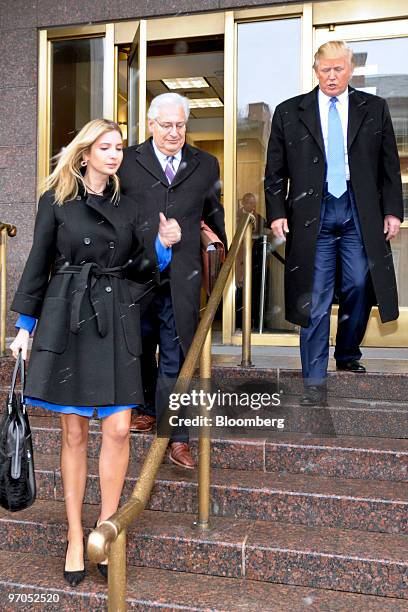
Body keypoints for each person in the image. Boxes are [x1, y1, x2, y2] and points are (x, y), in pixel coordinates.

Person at [9, 119, 180, 586]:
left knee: (121, 428)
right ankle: (72, 535)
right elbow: (38, 264)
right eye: (105, 147)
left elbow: (139, 268)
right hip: (70, 317)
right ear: (85, 153)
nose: (114, 154)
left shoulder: (129, 204)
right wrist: (25, 326)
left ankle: (106, 532)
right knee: (74, 433)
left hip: (116, 317)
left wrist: (162, 250)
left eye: (120, 147)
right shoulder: (58, 201)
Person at [265, 40, 403, 406]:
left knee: (360, 283)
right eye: (324, 70)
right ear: (315, 71)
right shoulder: (288, 112)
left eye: (337, 69)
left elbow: (389, 165)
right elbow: (274, 172)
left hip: (359, 211)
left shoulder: (374, 108)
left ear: (350, 68)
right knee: (316, 293)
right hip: (314, 214)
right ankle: (313, 379)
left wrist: (392, 211)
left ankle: (347, 353)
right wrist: (277, 212)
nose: (330, 76)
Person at [119, 93, 227, 469]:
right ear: (150, 125)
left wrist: (220, 255)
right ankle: (146, 407)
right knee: (140, 344)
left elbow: (215, 218)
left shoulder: (206, 164)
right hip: (136, 272)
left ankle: (175, 436)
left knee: (176, 353)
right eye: (166, 125)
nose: (174, 132)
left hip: (182, 276)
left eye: (180, 125)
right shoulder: (127, 162)